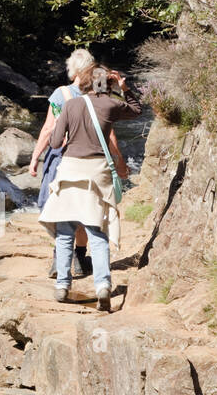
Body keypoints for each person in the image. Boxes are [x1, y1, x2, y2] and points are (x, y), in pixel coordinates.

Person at [39, 62, 141, 309]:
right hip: (97, 173)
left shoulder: (71, 105)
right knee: (97, 232)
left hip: (71, 170)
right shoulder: (112, 104)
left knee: (65, 233)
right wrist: (124, 87)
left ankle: (63, 286)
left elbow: (53, 143)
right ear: (108, 84)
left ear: (84, 82)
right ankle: (103, 285)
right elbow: (137, 110)